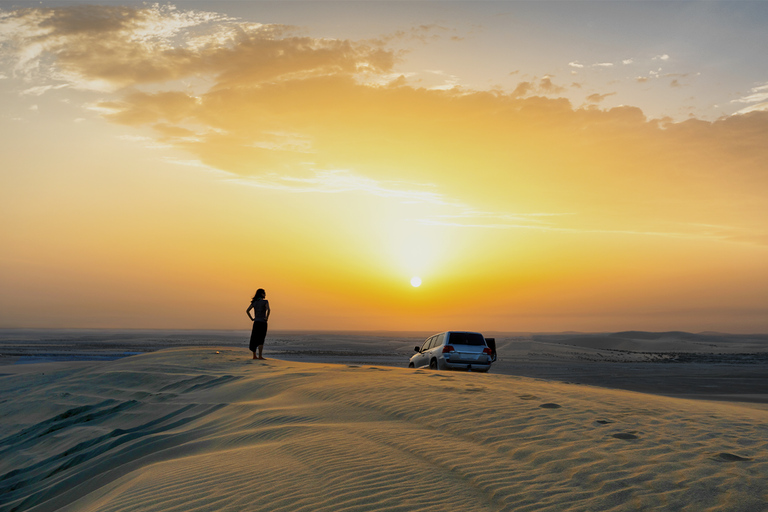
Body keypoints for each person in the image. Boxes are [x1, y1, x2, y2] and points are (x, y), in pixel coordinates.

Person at [246, 289, 270, 360]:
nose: (265, 295)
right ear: (262, 294)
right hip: (263, 322)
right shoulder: (265, 302)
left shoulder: (254, 302)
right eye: (264, 293)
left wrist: (252, 318)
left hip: (256, 322)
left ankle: (254, 356)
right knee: (261, 339)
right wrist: (267, 318)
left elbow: (247, 311)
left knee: (254, 338)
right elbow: (269, 309)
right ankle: (260, 356)